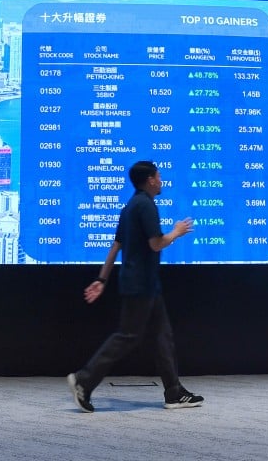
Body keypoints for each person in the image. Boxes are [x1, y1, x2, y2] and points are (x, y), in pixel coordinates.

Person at [67, 160, 204, 412]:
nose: (161, 180)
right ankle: (83, 381)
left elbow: (115, 246)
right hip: (141, 284)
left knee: (163, 337)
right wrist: (177, 232)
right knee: (127, 336)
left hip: (143, 283)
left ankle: (174, 393)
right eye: (159, 176)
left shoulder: (129, 206)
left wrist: (101, 279)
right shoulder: (146, 205)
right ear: (150, 180)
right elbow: (156, 243)